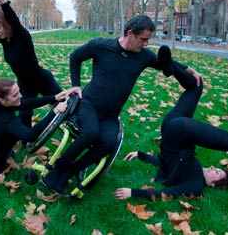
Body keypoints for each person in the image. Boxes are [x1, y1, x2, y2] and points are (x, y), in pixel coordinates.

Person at [43, 14, 203, 194]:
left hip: (110, 115)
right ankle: (58, 168)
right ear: (130, 33)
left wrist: (190, 70)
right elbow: (75, 57)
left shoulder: (143, 56)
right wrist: (75, 85)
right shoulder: (101, 45)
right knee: (90, 133)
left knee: (109, 142)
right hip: (89, 104)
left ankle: (69, 173)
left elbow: (167, 63)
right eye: (143, 39)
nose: (146, 44)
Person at [113, 78, 228, 200]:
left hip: (178, 130)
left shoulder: (195, 185)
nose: (215, 167)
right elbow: (164, 162)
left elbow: (167, 193)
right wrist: (140, 154)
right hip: (171, 128)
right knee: (196, 84)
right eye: (218, 169)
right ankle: (168, 66)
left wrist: (133, 192)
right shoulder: (189, 174)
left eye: (217, 173)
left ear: (213, 184)